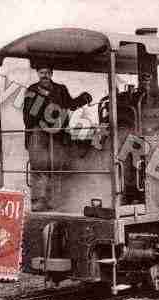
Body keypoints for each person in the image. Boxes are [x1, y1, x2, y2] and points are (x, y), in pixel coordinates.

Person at [23, 63, 92, 211]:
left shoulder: (61, 89)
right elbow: (29, 115)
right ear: (37, 74)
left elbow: (70, 104)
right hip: (38, 134)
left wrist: (83, 99)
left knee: (57, 168)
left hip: (58, 135)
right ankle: (38, 201)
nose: (44, 75)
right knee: (40, 167)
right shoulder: (31, 90)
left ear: (51, 73)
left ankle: (55, 201)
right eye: (42, 72)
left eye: (47, 72)